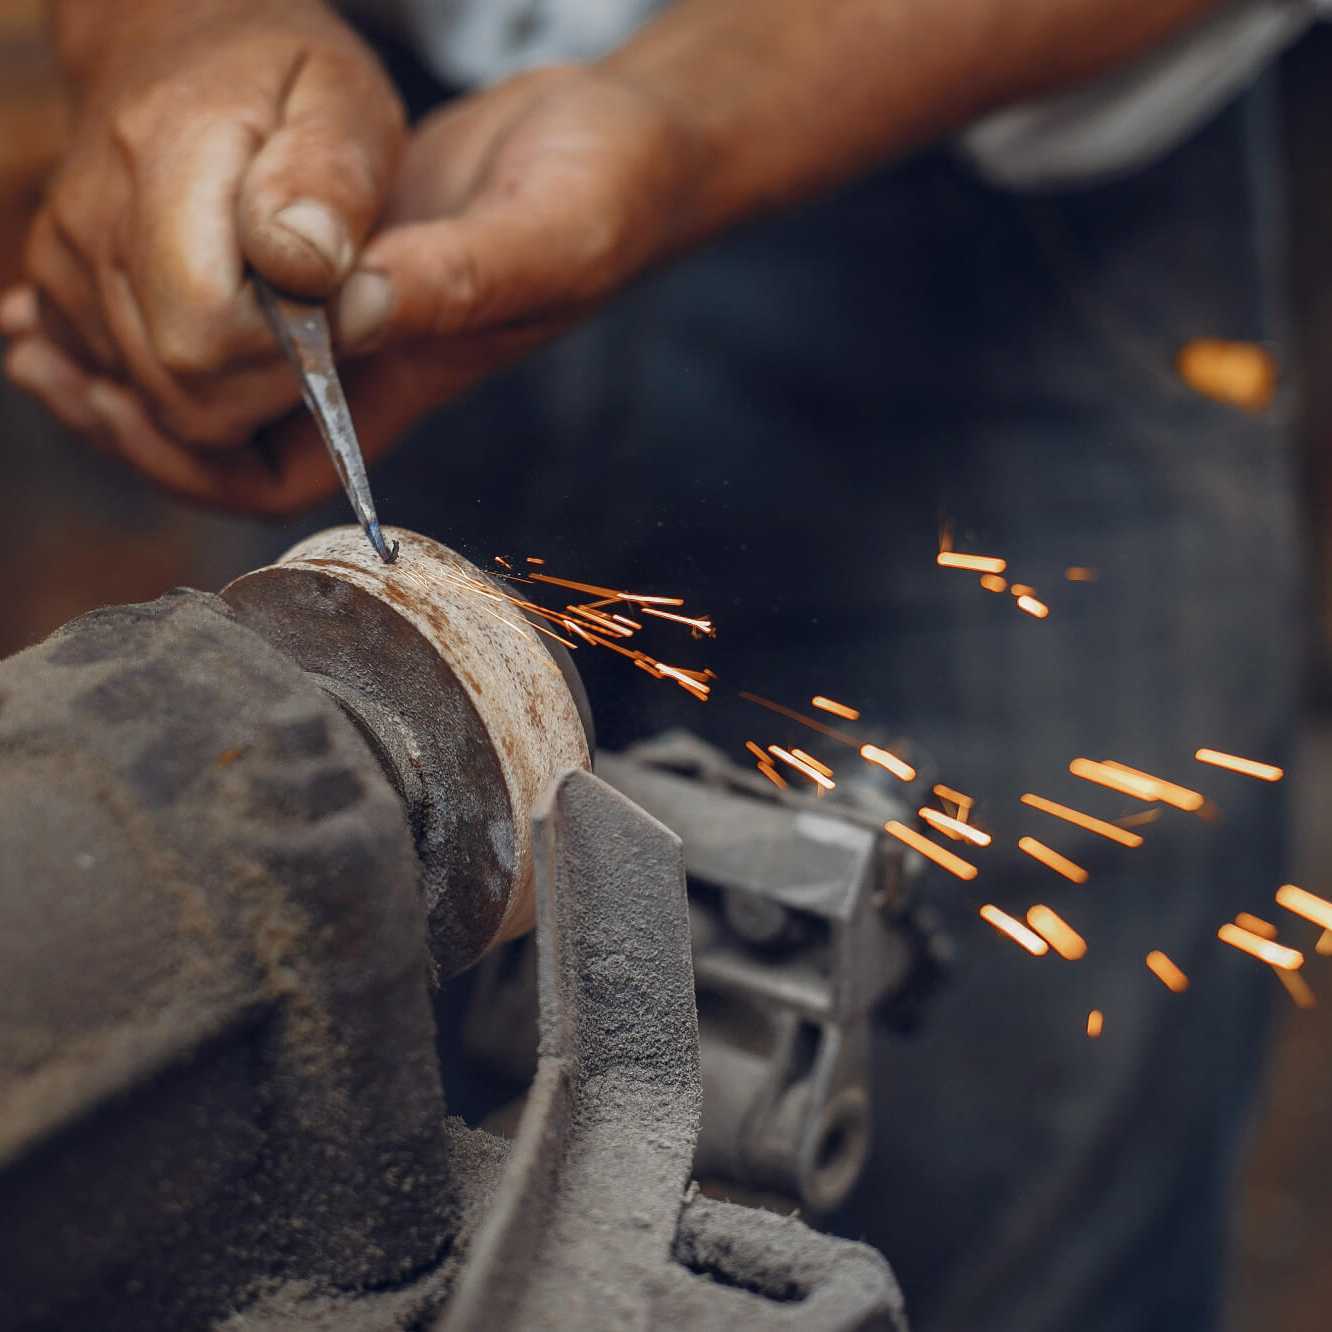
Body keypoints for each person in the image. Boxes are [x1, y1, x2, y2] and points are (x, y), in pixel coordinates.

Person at [1, 2, 1324, 1327]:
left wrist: (688, 119)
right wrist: (167, 28)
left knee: (1033, 1123)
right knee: (345, 1133)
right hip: (384, 166)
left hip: (1013, 172)